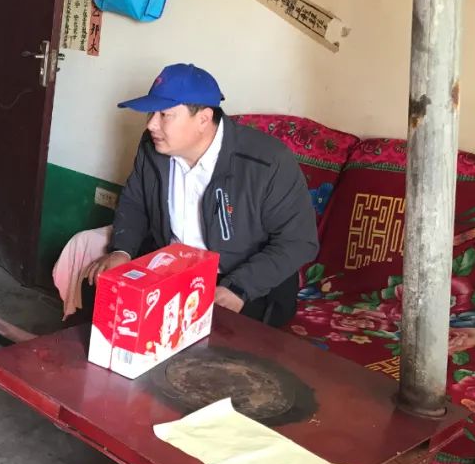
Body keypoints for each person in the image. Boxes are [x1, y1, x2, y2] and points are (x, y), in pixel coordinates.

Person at [84, 64, 318, 327]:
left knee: (213, 340)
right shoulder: (153, 149)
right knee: (103, 296)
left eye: (164, 114)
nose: (151, 124)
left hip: (246, 282)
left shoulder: (267, 162)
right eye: (151, 113)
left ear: (204, 119)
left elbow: (299, 241)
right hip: (175, 269)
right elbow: (135, 202)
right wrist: (123, 250)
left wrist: (239, 288)